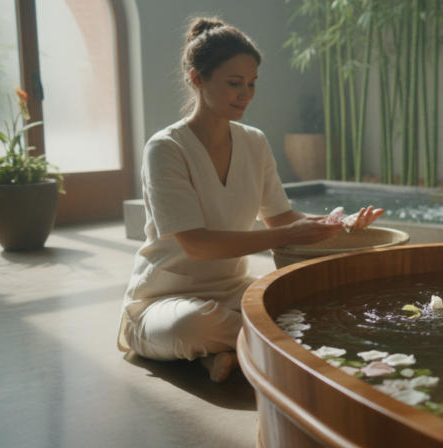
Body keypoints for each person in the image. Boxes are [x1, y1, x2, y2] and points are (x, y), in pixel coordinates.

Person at [117, 17, 384, 383]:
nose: (246, 94)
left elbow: (280, 217)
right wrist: (290, 235)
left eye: (252, 84)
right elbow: (196, 245)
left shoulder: (254, 142)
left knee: (306, 302)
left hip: (231, 291)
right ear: (197, 79)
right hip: (163, 302)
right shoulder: (165, 149)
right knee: (193, 325)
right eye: (234, 83)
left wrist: (338, 224)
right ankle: (264, 345)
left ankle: (230, 354)